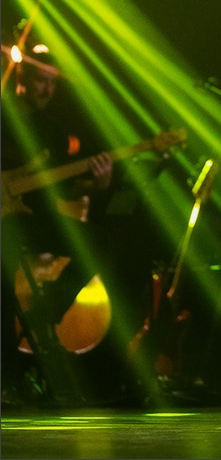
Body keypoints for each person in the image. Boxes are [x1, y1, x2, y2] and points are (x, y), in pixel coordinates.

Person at [1, 38, 114, 403]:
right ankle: (7, 378)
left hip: (33, 217)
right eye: (40, 81)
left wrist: (98, 185)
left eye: (53, 82)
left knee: (99, 243)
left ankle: (45, 311)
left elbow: (62, 192)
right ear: (21, 77)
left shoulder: (52, 129)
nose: (49, 89)